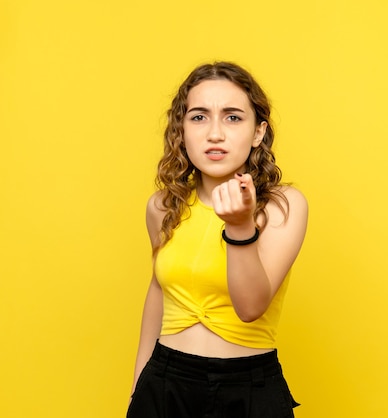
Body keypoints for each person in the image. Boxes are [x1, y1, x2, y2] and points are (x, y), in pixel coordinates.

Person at [127, 61, 308, 418]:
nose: (214, 134)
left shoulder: (282, 206)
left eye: (232, 117)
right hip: (164, 384)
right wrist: (138, 390)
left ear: (258, 132)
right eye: (198, 117)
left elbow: (250, 308)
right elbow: (159, 291)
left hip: (249, 390)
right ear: (181, 129)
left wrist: (241, 228)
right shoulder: (162, 207)